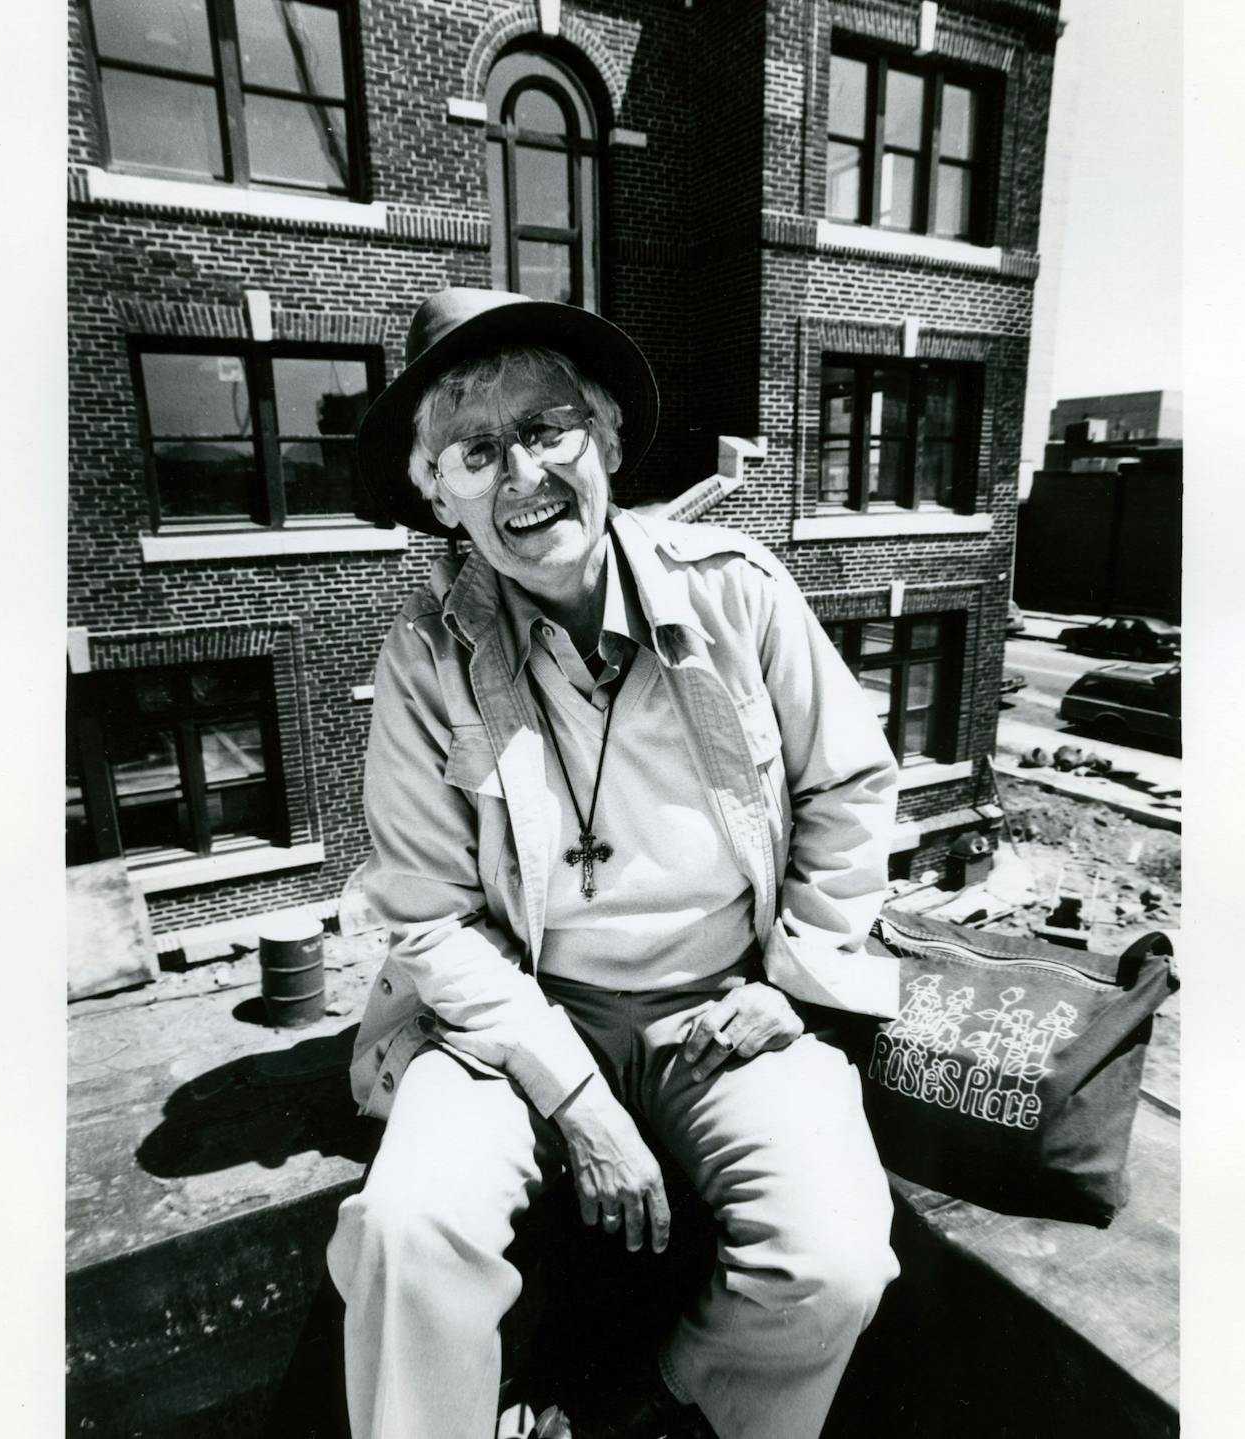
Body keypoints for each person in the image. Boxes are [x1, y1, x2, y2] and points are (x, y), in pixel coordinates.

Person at [327, 287, 902, 1439]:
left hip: (718, 1007)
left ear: (608, 438)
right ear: (438, 494)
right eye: (476, 452)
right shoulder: (424, 656)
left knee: (833, 1260)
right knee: (404, 1229)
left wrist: (799, 979)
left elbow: (846, 783)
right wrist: (580, 1103)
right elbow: (432, 918)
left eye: (549, 428)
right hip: (515, 1019)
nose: (524, 474)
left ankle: (672, 1406)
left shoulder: (738, 589)